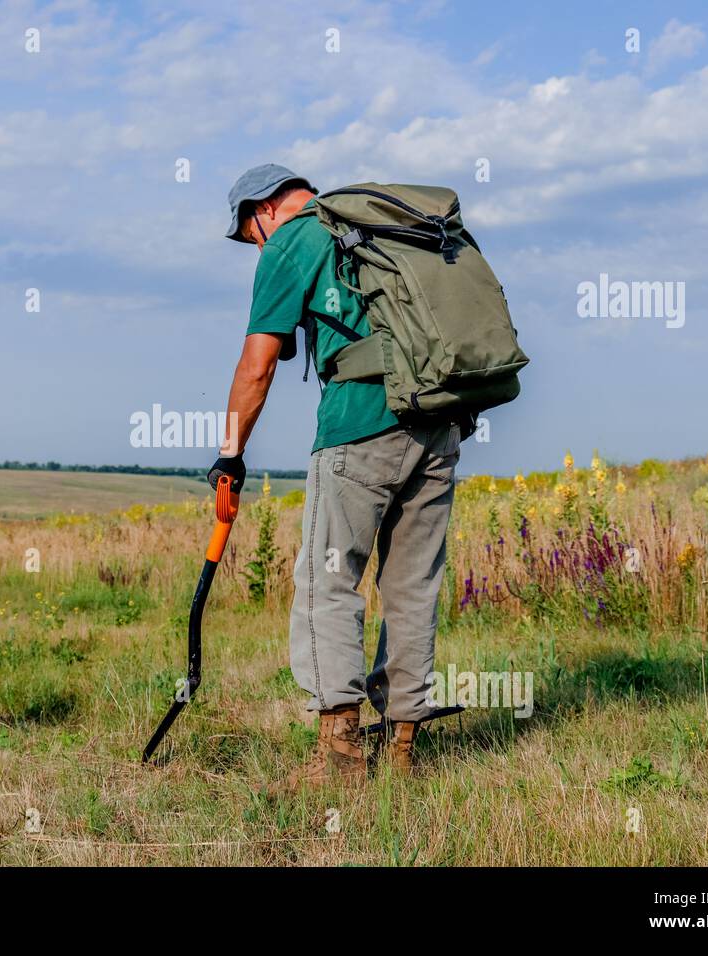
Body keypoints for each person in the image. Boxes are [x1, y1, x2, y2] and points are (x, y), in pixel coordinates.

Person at [211, 164, 463, 788]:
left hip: (358, 428)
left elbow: (257, 365)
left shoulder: (295, 238)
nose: (257, 249)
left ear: (262, 210)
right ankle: (403, 747)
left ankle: (340, 757)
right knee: (412, 587)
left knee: (328, 584)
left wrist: (230, 454)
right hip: (438, 425)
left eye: (250, 237)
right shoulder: (381, 230)